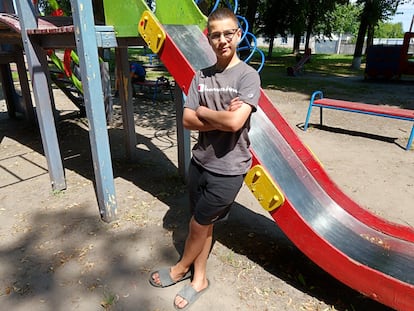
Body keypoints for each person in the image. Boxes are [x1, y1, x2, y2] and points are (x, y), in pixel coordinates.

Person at [149, 7, 261, 310]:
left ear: (238, 35)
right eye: (215, 35)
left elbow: (236, 124)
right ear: (208, 39)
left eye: (228, 33)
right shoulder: (201, 75)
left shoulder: (248, 77)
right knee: (204, 225)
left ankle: (179, 268)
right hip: (200, 162)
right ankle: (200, 280)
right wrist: (221, 116)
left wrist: (205, 112)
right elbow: (187, 120)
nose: (222, 40)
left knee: (198, 225)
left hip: (228, 170)